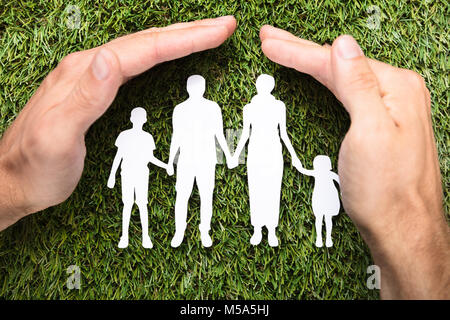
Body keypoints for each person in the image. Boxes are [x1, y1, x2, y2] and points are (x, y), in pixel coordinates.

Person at [0, 16, 448, 299]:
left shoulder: (231, 108)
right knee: (213, 196)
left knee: (235, 196)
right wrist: (183, 159)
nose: (196, 89)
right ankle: (195, 232)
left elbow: (260, 134)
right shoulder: (191, 110)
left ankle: (242, 231)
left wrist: (238, 154)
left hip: (236, 157)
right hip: (211, 159)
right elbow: (181, 137)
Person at [230, 74, 301, 247]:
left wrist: (294, 156)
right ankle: (256, 229)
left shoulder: (278, 106)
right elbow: (245, 133)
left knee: (272, 189)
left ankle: (271, 230)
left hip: (273, 151)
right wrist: (234, 155)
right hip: (255, 152)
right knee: (255, 189)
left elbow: (283, 133)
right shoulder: (249, 108)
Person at [166, 75, 233, 248]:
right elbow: (177, 136)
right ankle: (179, 231)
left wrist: (229, 156)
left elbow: (219, 133)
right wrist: (170, 161)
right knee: (182, 195)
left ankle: (205, 231)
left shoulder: (212, 108)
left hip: (206, 159)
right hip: (186, 159)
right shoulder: (180, 109)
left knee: (205, 196)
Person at [107, 107, 167, 249]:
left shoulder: (147, 137)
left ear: (144, 120)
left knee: (141, 204)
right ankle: (124, 237)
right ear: (132, 119)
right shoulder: (124, 136)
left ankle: (145, 237)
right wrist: (112, 176)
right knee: (127, 204)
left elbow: (150, 158)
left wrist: (165, 166)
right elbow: (119, 156)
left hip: (141, 174)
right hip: (127, 173)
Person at [295, 155, 340, 248]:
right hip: (320, 197)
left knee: (326, 218)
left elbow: (340, 181)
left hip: (328, 197)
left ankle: (328, 238)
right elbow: (303, 170)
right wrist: (297, 165)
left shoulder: (329, 174)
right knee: (320, 218)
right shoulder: (317, 173)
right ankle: (319, 237)